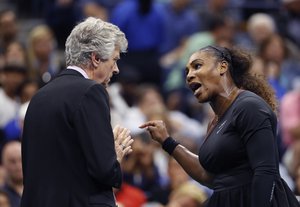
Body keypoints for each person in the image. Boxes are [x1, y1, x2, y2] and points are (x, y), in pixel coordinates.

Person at [140, 45, 300, 207]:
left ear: (222, 67)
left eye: (197, 66)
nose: (189, 75)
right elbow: (208, 176)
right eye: (187, 71)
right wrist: (167, 142)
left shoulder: (249, 106)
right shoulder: (214, 123)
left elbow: (266, 171)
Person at [21, 17, 133, 207]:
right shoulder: (91, 91)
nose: (116, 69)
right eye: (114, 60)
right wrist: (114, 156)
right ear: (96, 58)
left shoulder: (39, 96)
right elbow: (105, 171)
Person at [1, 141, 23, 207]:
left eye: (21, 160)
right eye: (12, 161)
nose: (18, 166)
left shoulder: (38, 191)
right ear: (4, 165)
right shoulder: (2, 195)